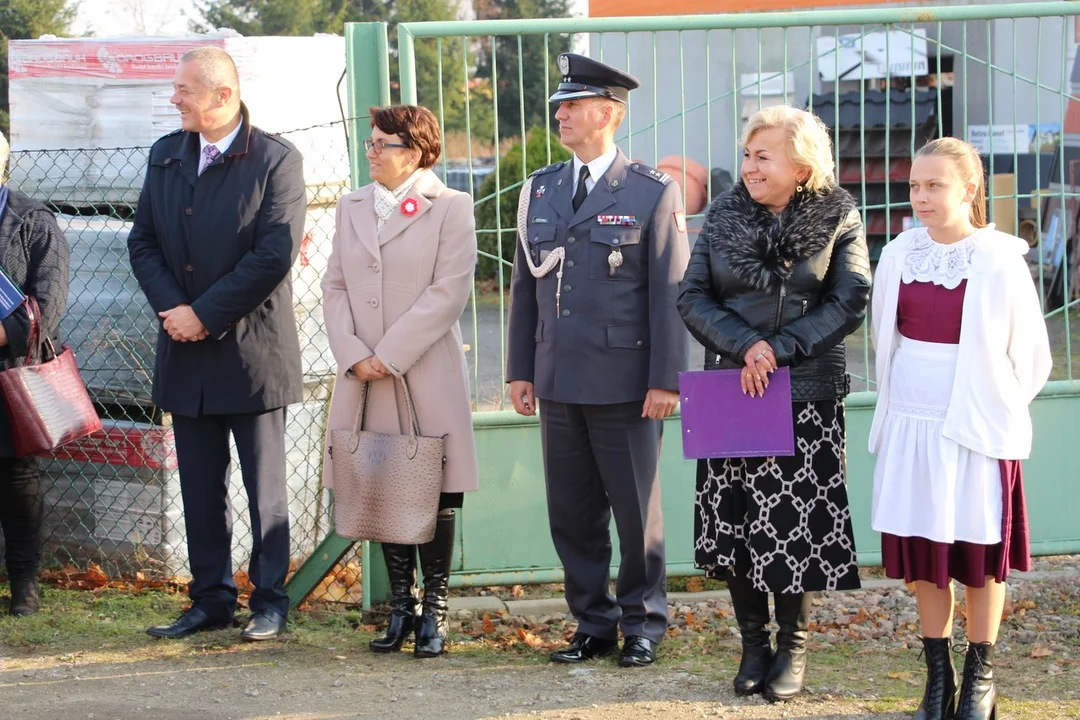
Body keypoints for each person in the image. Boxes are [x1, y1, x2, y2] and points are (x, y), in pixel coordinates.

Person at [677, 105, 870, 701]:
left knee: (793, 523)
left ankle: (794, 646)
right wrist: (748, 346)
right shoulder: (724, 214)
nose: (750, 166)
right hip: (733, 385)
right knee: (736, 520)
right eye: (747, 155)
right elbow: (693, 296)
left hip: (805, 388)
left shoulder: (839, 214)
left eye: (764, 155)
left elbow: (850, 298)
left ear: (801, 162)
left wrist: (780, 349)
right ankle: (753, 644)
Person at [506, 53, 690, 668]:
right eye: (560, 104)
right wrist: (520, 369)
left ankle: (643, 621)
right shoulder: (543, 187)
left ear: (609, 113)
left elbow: (669, 295)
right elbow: (525, 286)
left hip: (626, 381)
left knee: (638, 515)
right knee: (572, 512)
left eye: (574, 104)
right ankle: (593, 620)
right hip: (558, 376)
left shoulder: (649, 191)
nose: (561, 113)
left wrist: (667, 379)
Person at [869, 137, 1052, 720]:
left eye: (934, 185)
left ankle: (981, 679)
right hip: (911, 424)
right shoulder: (899, 252)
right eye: (914, 186)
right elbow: (885, 341)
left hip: (974, 428)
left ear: (968, 189)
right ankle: (936, 680)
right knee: (926, 553)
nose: (921, 197)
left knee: (976, 553)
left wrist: (990, 405)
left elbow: (1032, 357)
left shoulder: (998, 258)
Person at [128, 47, 306, 642]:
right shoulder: (165, 155)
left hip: (250, 354)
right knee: (199, 487)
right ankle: (209, 600)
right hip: (184, 348)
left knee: (264, 492)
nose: (173, 97)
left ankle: (270, 601)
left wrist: (204, 314)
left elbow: (272, 255)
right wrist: (175, 313)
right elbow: (143, 243)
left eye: (183, 89)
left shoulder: (276, 160)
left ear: (222, 95)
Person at [321, 104, 479, 658]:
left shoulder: (450, 206)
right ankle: (401, 609)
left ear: (413, 152)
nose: (371, 151)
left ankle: (434, 611)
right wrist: (353, 353)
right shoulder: (352, 206)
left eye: (381, 144)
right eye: (369, 142)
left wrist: (388, 354)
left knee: (432, 487)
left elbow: (449, 290)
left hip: (421, 369)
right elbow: (334, 285)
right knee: (381, 480)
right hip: (363, 373)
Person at [0, 131, 70, 616]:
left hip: (10, 371)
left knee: (15, 477)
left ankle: (24, 585)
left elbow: (48, 304)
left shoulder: (31, 221)